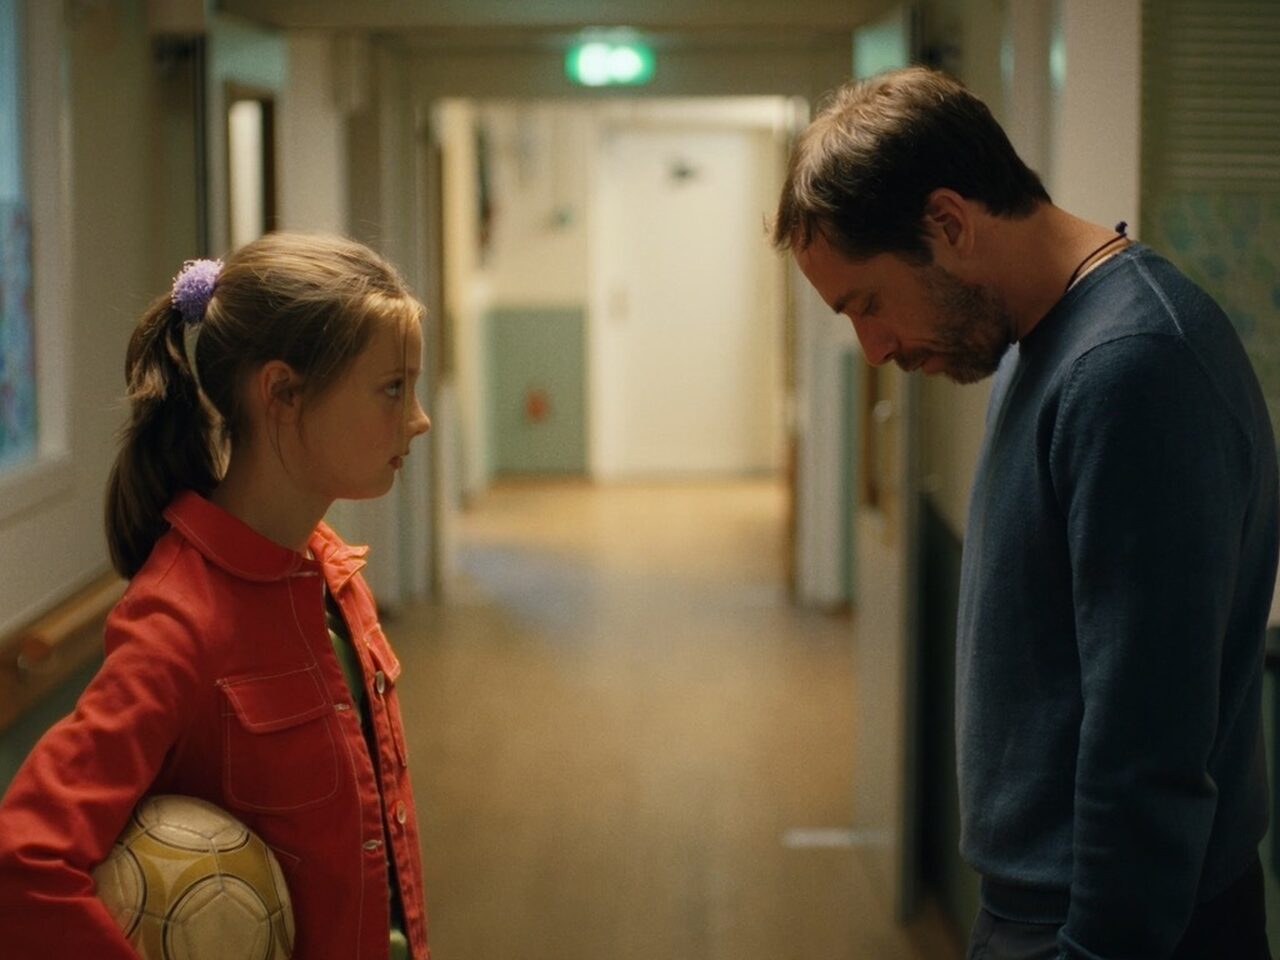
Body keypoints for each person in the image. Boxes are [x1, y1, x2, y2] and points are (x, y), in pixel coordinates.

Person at [773, 66, 1278, 960]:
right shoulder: (1042, 348)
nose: (875, 349)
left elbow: (1148, 747)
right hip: (1042, 906)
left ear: (949, 223)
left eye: (868, 304)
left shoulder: (1132, 369)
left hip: (1111, 927)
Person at [0, 232, 433, 959]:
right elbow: (23, 865)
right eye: (393, 388)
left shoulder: (332, 573)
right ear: (283, 394)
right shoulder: (178, 622)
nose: (418, 419)